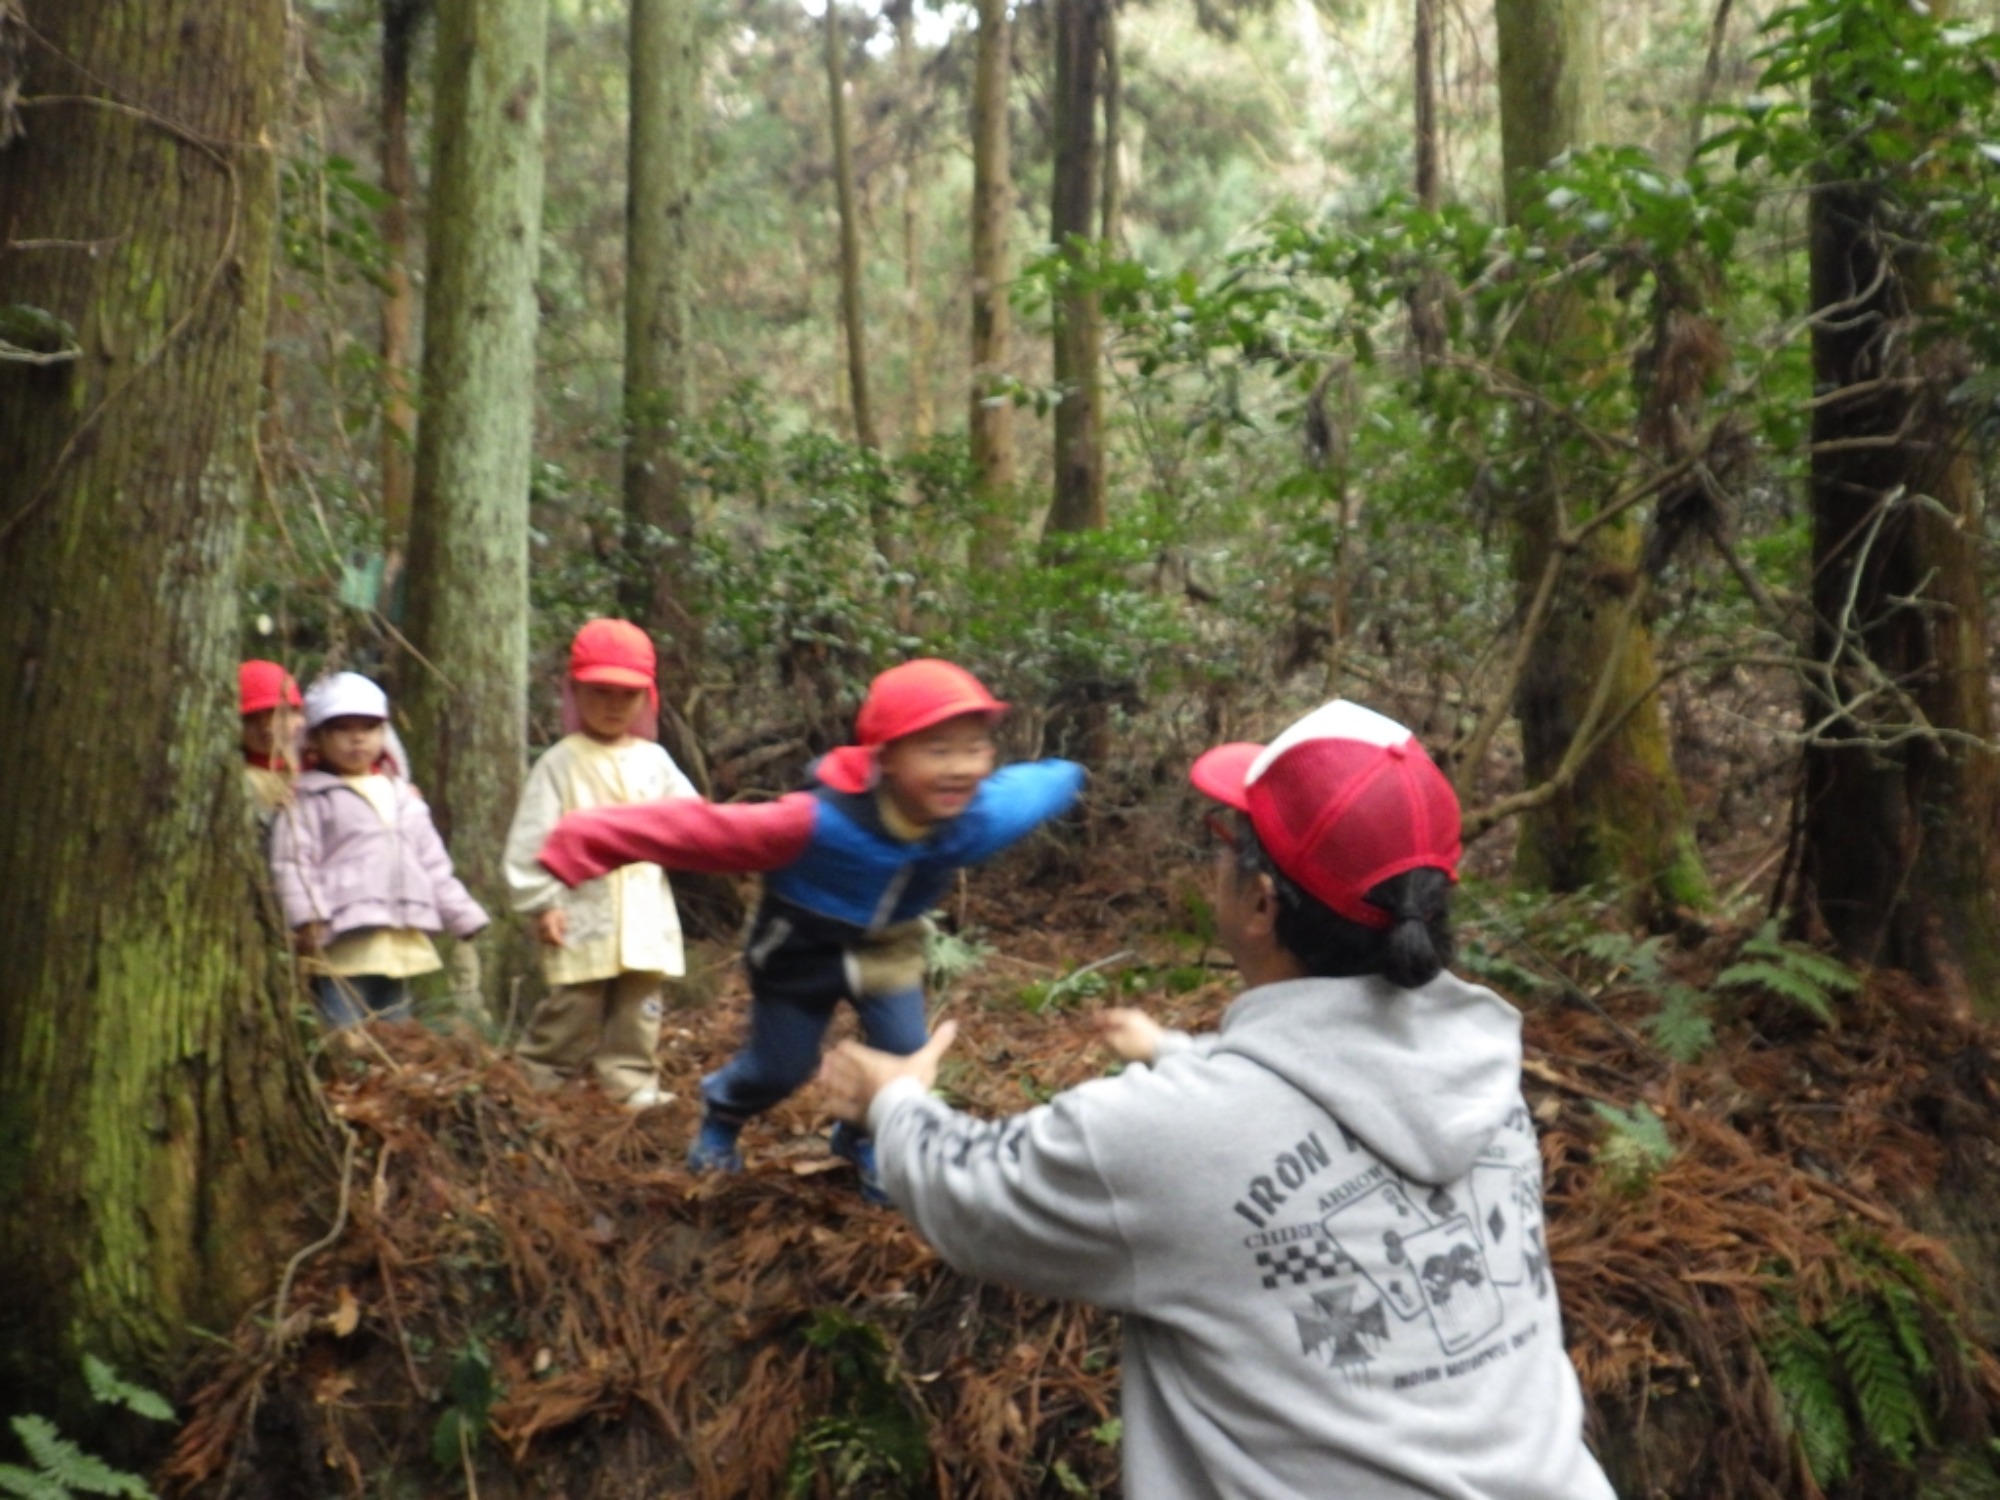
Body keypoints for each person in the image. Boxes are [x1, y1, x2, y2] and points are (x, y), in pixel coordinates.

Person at [819, 700, 1617, 1499]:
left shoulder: (1162, 1134)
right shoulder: (1479, 1069)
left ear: (1263, 902)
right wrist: (1176, 1053)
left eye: (1223, 843)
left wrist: (895, 1104)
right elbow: (1303, 1118)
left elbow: (976, 1195)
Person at [537, 658, 1085, 1199]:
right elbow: (702, 831)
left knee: (904, 1056)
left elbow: (1028, 790)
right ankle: (723, 1111)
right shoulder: (815, 823)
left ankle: (866, 1139)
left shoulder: (974, 822)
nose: (961, 768)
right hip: (798, 949)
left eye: (974, 749)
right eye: (937, 750)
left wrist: (1069, 773)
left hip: (889, 950)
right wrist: (583, 839)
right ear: (887, 758)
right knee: (780, 1068)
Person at [503, 620, 700, 1110]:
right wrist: (542, 902)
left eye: (626, 695)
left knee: (639, 1009)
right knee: (574, 1003)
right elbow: (532, 838)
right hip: (580, 910)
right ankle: (538, 1080)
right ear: (575, 692)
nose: (613, 705)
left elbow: (690, 818)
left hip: (643, 911)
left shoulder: (654, 761)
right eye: (600, 692)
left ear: (646, 699)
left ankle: (630, 1084)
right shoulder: (561, 763)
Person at [269, 671, 489, 1029]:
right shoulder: (309, 799)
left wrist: (461, 915)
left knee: (396, 1029)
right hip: (343, 941)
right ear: (317, 738)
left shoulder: (402, 796)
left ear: (384, 735)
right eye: (342, 728)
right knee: (344, 1027)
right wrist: (306, 916)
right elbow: (293, 862)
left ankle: (388, 1081)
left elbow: (432, 864)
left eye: (368, 728)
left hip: (399, 938)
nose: (357, 738)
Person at [239, 659, 303, 825]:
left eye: (275, 714)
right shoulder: (242, 781)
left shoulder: (313, 767)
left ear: (298, 716)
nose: (265, 726)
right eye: (251, 719)